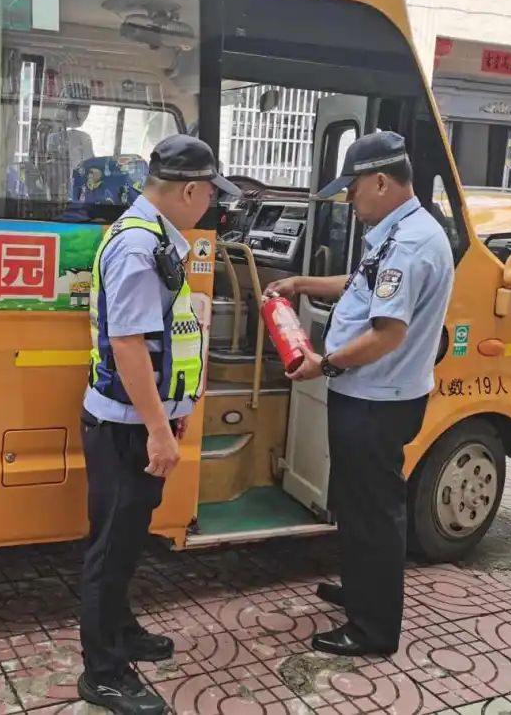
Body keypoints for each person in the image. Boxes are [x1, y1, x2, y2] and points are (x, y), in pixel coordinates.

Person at [267, 130, 453, 657]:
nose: (349, 198)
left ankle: (373, 629)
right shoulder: (399, 232)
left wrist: (322, 363)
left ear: (380, 181)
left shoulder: (412, 242)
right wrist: (302, 283)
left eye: (353, 188)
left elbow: (386, 334)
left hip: (378, 399)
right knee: (355, 502)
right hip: (369, 393)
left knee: (373, 511)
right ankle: (361, 589)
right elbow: (360, 282)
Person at [78, 134, 240, 714]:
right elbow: (127, 344)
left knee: (125, 543)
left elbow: (163, 337)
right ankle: (102, 672)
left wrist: (176, 413)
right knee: (109, 549)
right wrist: (158, 430)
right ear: (191, 189)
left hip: (141, 422)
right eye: (210, 195)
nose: (211, 206)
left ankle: (121, 632)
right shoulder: (137, 246)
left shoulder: (155, 237)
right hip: (126, 427)